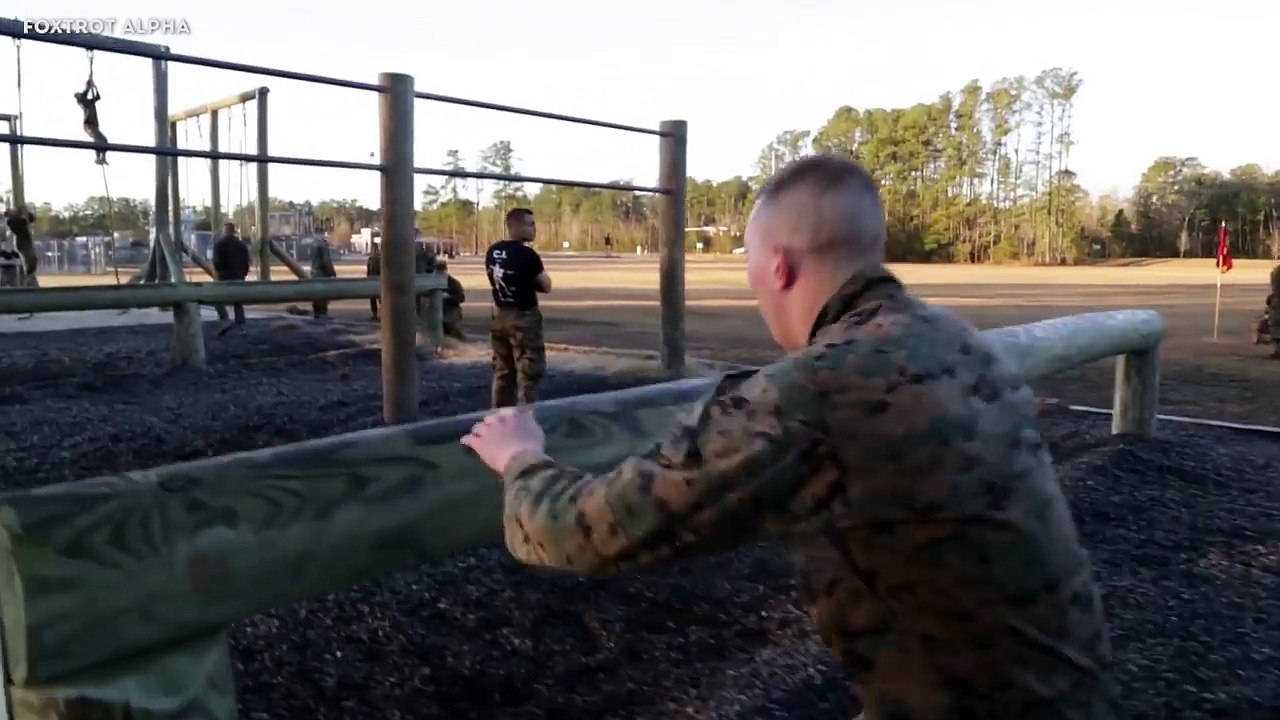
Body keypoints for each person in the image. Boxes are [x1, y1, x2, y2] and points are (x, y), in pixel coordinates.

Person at [461, 155, 1120, 720]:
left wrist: (519, 456)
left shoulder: (815, 390)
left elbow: (588, 531)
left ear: (777, 267)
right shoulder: (954, 340)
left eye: (749, 265)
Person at [484, 208, 551, 407]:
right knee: (529, 372)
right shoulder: (527, 254)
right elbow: (546, 285)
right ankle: (525, 417)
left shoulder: (492, 251)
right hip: (523, 316)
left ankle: (500, 418)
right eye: (530, 224)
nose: (534, 229)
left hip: (499, 314)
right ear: (517, 226)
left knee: (503, 371)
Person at [211, 222, 251, 335]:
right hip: (239, 276)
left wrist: (219, 272)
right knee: (237, 300)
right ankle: (240, 321)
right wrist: (243, 273)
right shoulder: (241, 245)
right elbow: (246, 262)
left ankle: (225, 319)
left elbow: (217, 262)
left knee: (216, 299)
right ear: (234, 231)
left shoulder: (219, 244)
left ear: (225, 231)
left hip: (224, 276)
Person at [74, 79, 109, 166]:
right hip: (88, 125)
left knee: (104, 140)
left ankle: (103, 158)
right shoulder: (82, 102)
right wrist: (88, 86)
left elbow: (98, 97)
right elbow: (84, 94)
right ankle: (98, 158)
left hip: (94, 125)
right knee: (97, 139)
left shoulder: (90, 102)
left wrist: (95, 87)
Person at [4, 206, 38, 288]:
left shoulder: (18, 218)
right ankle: (27, 276)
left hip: (27, 241)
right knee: (30, 258)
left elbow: (32, 218)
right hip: (21, 243)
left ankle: (29, 276)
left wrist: (25, 211)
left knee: (32, 259)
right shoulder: (10, 221)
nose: (14, 211)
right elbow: (22, 222)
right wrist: (21, 213)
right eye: (12, 211)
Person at [437, 257, 467, 341]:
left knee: (451, 327)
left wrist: (448, 297)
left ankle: (461, 343)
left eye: (441, 271)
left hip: (450, 310)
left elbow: (461, 297)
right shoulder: (430, 282)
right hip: (434, 310)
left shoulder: (452, 282)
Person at [309, 236, 337, 318]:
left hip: (314, 273)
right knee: (323, 298)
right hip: (322, 273)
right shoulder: (323, 245)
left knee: (316, 298)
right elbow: (327, 261)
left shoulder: (313, 243)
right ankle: (322, 318)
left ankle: (317, 316)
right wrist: (332, 272)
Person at [366, 239, 382, 321]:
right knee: (374, 298)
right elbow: (368, 270)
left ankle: (379, 314)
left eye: (375, 248)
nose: (374, 250)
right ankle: (375, 314)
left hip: (378, 280)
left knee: (380, 298)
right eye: (373, 248)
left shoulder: (379, 258)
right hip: (373, 279)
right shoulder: (371, 259)